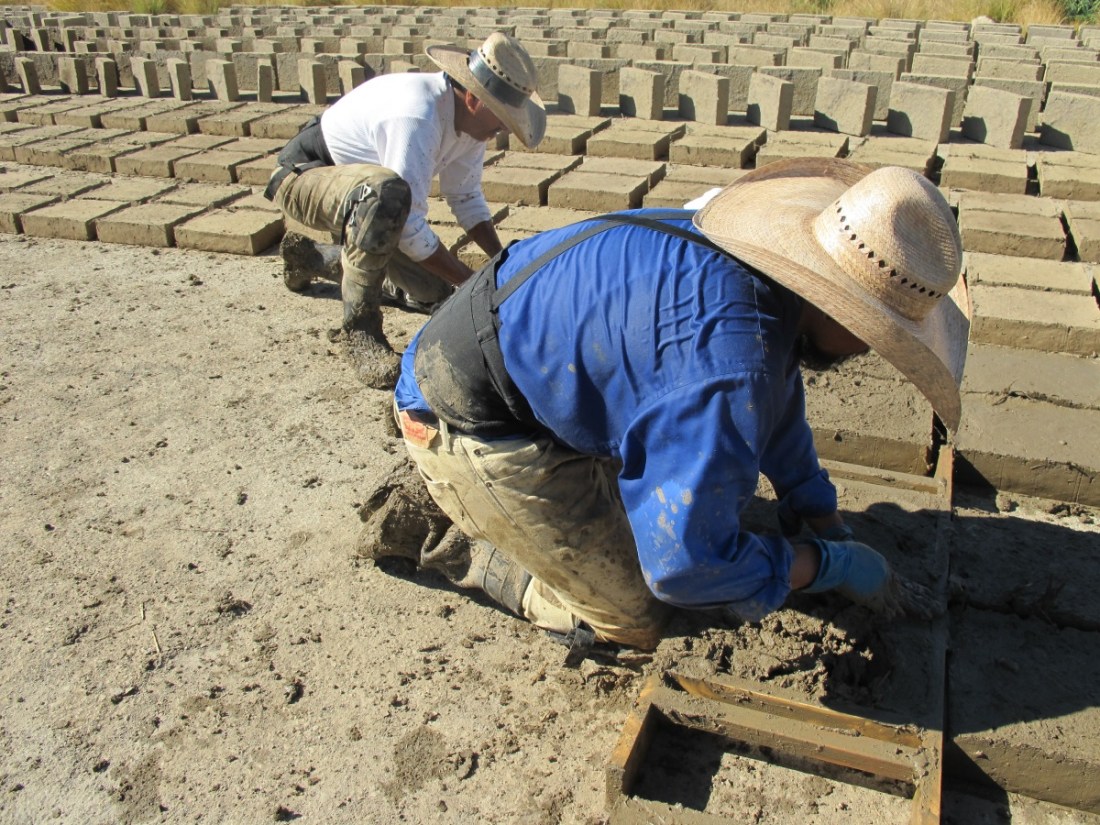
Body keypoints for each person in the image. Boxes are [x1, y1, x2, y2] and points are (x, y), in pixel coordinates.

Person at [379, 158, 970, 657]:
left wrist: (820, 514)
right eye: (875, 333)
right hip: (467, 416)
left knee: (689, 498)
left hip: (529, 363)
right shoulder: (729, 367)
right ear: (837, 305)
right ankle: (453, 537)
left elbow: (776, 406)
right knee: (637, 620)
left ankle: (497, 505)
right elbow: (683, 568)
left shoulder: (756, 268)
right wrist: (828, 566)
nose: (871, 349)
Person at [264, 32, 546, 389]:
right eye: (502, 117)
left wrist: (502, 262)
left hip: (371, 210)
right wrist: (470, 281)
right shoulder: (418, 113)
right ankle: (360, 332)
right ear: (475, 98)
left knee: (436, 294)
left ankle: (313, 259)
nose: (503, 128)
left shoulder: (472, 128)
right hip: (305, 177)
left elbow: (465, 196)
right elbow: (408, 222)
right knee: (389, 195)